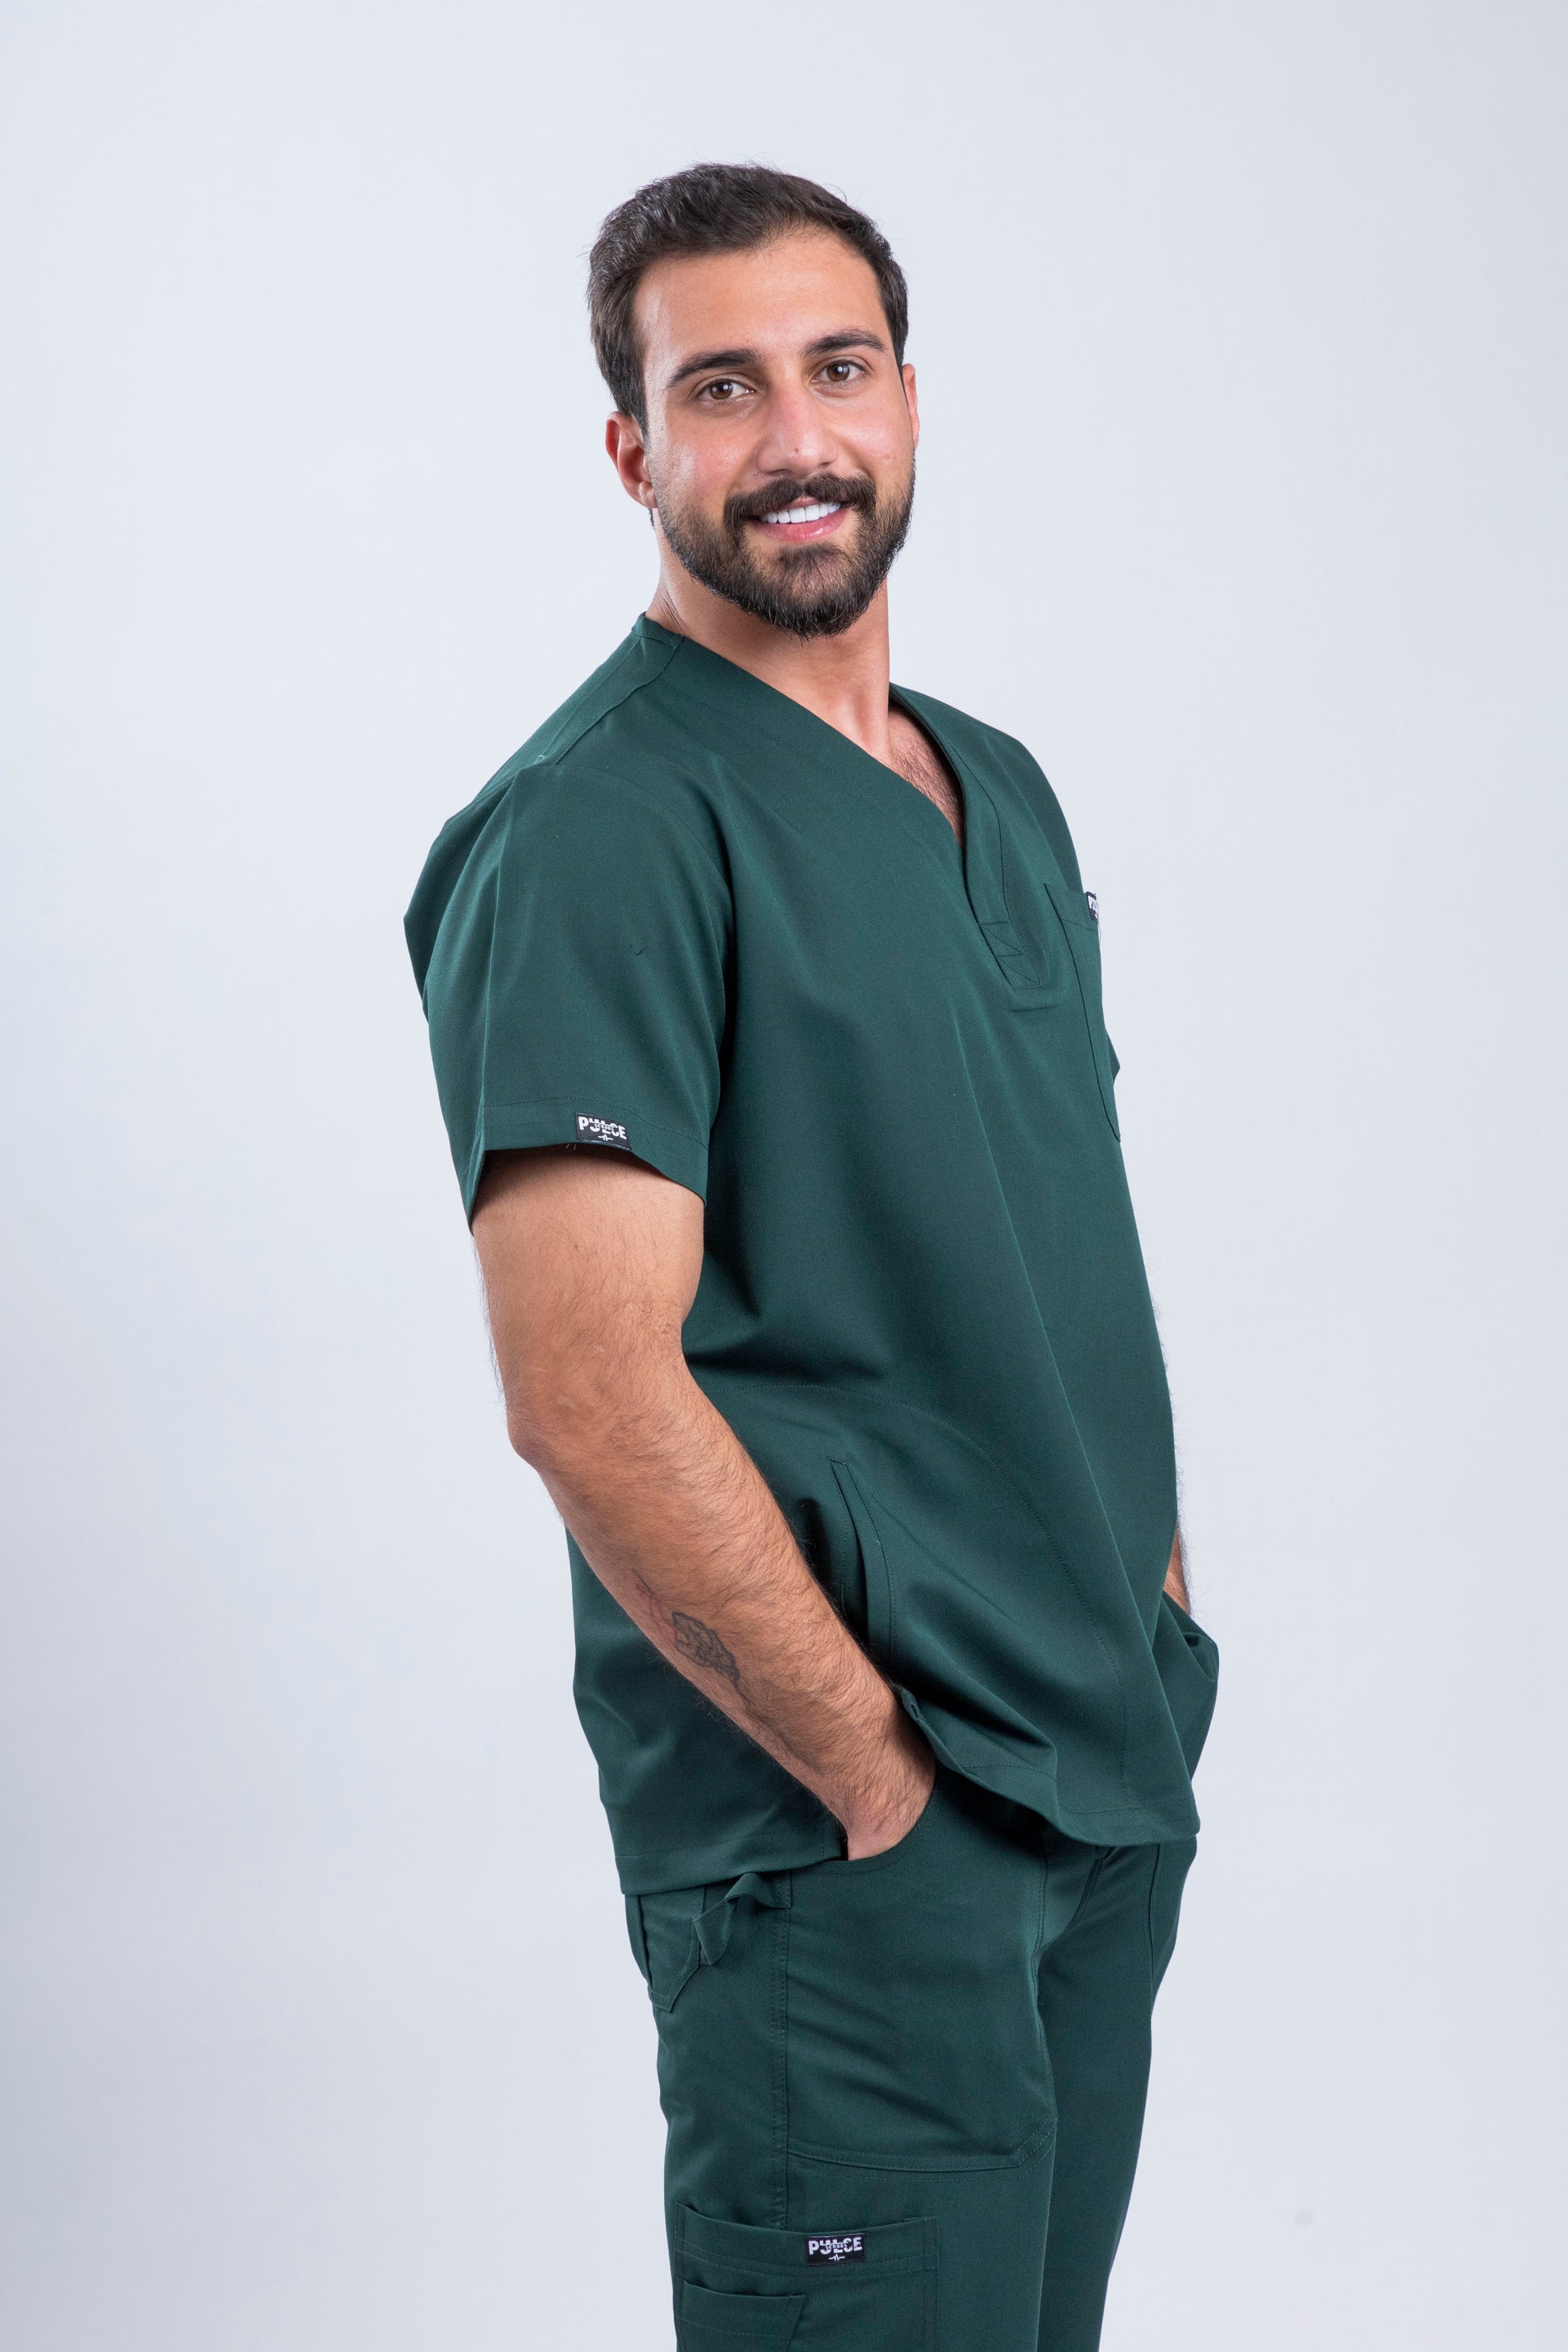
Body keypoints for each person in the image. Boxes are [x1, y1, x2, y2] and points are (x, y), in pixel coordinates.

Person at [405, 161, 1218, 2352]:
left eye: (838, 369)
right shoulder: (597, 830)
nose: (795, 440)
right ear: (631, 449)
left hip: (1095, 1781)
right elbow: (584, 1392)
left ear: (908, 402)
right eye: (721, 388)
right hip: (854, 1860)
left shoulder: (997, 786)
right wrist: (873, 1781)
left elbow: (1040, 1229)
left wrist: (1151, 1626)